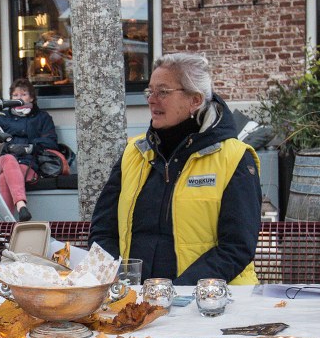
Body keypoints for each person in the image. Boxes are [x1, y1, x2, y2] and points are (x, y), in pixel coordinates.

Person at [89, 53, 261, 285]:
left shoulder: (235, 158)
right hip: (136, 299)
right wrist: (117, 279)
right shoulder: (134, 152)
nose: (152, 100)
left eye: (163, 92)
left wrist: (175, 292)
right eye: (150, 91)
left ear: (195, 100)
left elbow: (236, 247)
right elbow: (103, 230)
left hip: (213, 300)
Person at [0, 77, 59, 221]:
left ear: (32, 97)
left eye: (23, 94)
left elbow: (51, 141)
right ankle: (21, 206)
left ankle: (6, 225)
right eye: (15, 95)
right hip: (3, 160)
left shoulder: (42, 117)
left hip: (29, 164)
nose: (19, 98)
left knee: (4, 178)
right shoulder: (2, 117)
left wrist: (29, 148)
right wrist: (8, 146)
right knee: (9, 159)